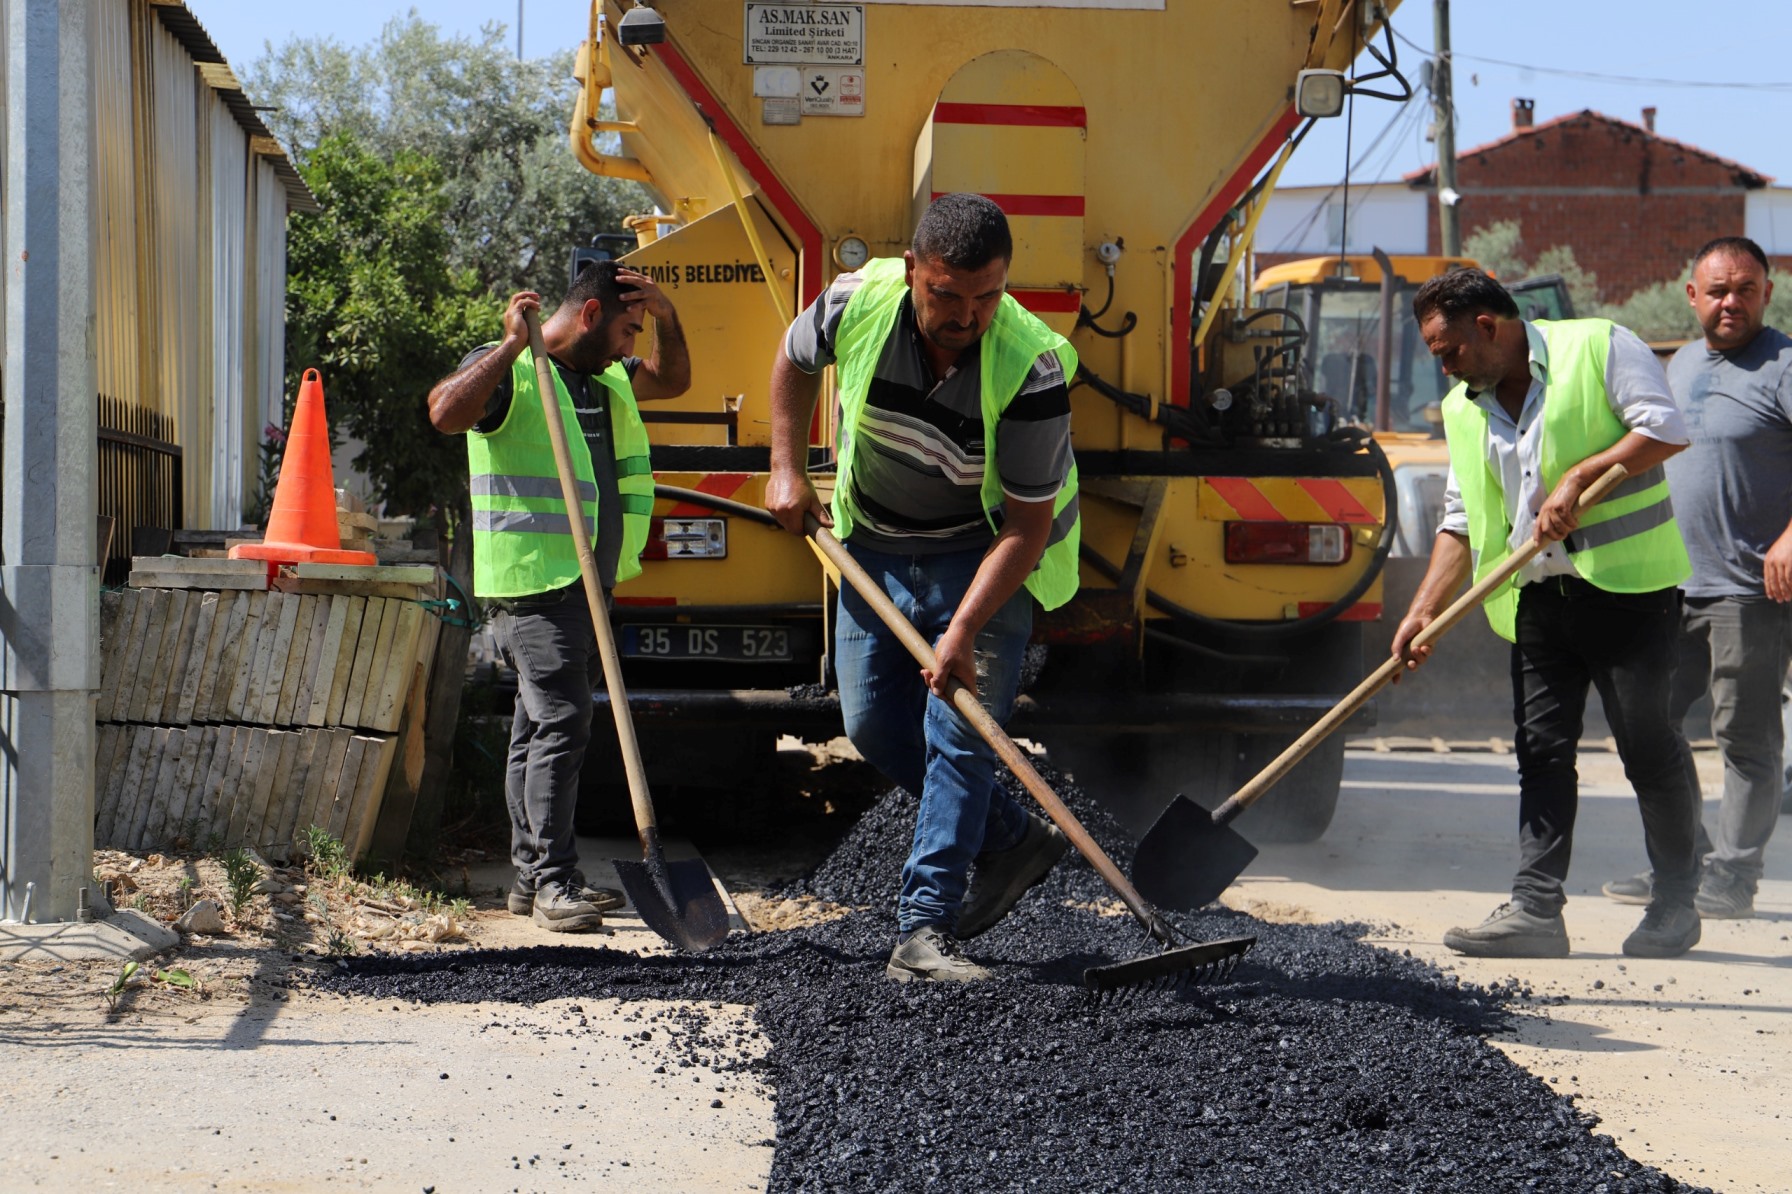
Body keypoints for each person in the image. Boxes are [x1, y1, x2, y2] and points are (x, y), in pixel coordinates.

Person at [765, 193, 1078, 982]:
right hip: (871, 543)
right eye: (946, 294)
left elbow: (1027, 528)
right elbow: (793, 361)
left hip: (981, 555)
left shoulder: (1031, 364)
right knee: (873, 727)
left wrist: (964, 632)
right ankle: (1012, 839)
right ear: (913, 272)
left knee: (960, 735)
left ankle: (923, 931)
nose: (966, 316)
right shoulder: (855, 301)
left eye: (987, 296)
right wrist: (785, 468)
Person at [1392, 268, 1703, 959]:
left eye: (1448, 350)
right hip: (1537, 599)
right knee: (1541, 754)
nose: (1444, 367)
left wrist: (1578, 477)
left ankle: (1676, 903)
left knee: (1648, 750)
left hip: (1629, 594)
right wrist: (1421, 612)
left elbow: (1664, 430)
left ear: (1487, 326)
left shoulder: (1599, 347)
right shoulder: (1463, 406)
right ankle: (1536, 910)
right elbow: (1461, 519)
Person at [427, 261, 689, 931]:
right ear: (592, 315)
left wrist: (666, 317)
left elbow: (676, 380)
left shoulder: (608, 381)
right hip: (535, 584)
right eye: (630, 329)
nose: (634, 345)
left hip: (587, 584)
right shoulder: (513, 373)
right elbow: (444, 413)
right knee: (565, 721)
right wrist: (513, 345)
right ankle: (553, 881)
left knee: (535, 727)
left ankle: (528, 878)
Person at [1601, 237, 1792, 920]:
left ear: (1767, 291)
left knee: (1746, 737)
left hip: (1749, 590)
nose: (1730, 301)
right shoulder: (1678, 365)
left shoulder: (1785, 364)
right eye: (1717, 290)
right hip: (1667, 586)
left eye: (1744, 288)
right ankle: (1682, 865)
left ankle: (1734, 877)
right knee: (1645, 721)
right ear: (1692, 295)